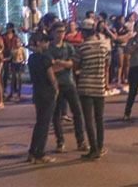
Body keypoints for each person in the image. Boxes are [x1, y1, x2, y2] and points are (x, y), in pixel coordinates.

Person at [74, 18, 111, 160]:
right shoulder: (103, 46)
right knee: (99, 118)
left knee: (88, 120)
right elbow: (107, 64)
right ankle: (100, 147)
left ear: (84, 32)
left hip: (85, 87)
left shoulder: (82, 47)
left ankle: (93, 149)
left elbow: (75, 66)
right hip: (99, 85)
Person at [48, 22, 87, 152]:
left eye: (63, 31)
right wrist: (62, 65)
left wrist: (60, 63)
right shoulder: (49, 48)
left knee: (77, 112)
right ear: (53, 32)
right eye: (58, 31)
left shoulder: (68, 47)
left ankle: (80, 141)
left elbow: (71, 64)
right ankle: (60, 141)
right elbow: (50, 68)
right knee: (56, 114)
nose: (61, 34)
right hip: (55, 85)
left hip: (69, 83)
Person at [27, 32, 59, 164]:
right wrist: (56, 88)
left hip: (37, 91)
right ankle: (40, 153)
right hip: (47, 91)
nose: (47, 44)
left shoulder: (32, 58)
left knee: (39, 122)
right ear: (39, 42)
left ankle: (32, 152)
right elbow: (51, 75)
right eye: (45, 41)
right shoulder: (45, 57)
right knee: (44, 124)